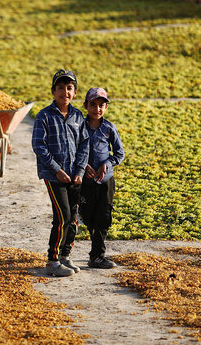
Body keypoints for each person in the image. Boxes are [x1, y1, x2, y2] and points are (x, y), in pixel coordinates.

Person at [32, 69, 89, 277]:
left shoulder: (77, 116)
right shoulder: (44, 116)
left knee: (73, 217)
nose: (65, 91)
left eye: (69, 88)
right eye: (61, 88)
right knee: (62, 215)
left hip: (74, 175)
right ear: (53, 91)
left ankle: (66, 255)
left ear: (74, 93)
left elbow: (84, 144)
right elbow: (39, 146)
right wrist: (57, 170)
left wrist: (80, 170)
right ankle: (52, 260)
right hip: (53, 176)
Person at [80, 87, 125, 269]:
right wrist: (84, 166)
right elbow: (74, 151)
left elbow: (119, 153)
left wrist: (107, 163)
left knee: (104, 216)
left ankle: (97, 255)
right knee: (88, 215)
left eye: (101, 105)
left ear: (106, 108)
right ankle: (94, 250)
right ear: (86, 105)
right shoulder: (79, 127)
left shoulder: (108, 128)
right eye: (93, 105)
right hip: (85, 180)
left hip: (105, 180)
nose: (97, 109)